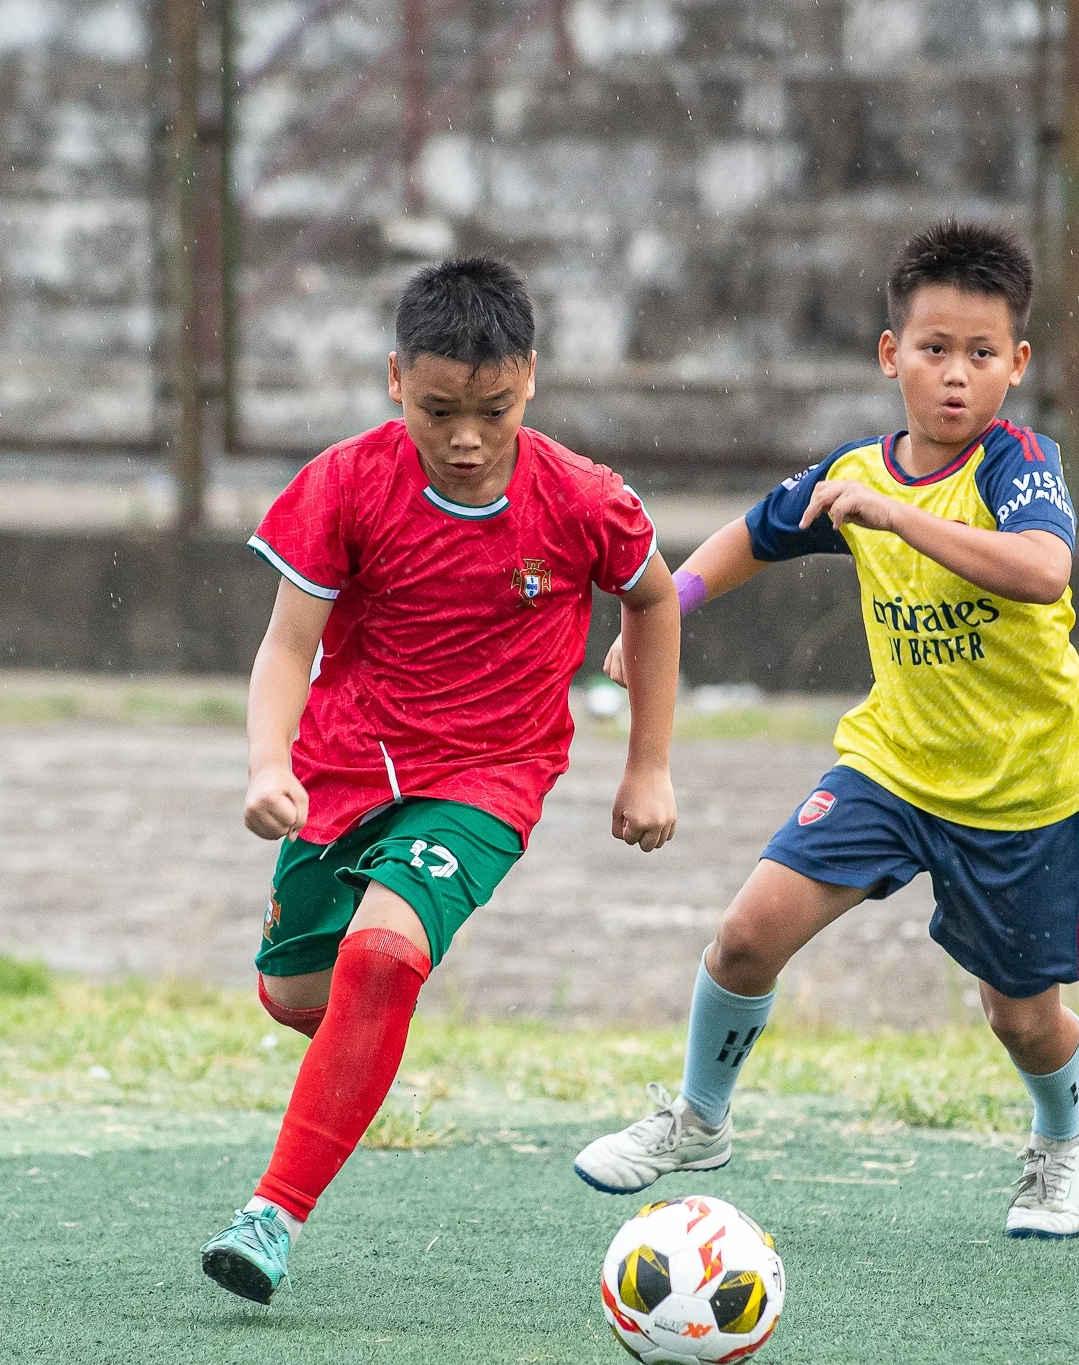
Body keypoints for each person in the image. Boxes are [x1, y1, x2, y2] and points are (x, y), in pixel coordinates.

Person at [572, 221, 1079, 1239]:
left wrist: (896, 518)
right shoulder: (855, 468)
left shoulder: (1018, 465)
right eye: (934, 350)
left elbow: (1044, 570)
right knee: (742, 940)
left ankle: (1062, 1138)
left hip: (1019, 790)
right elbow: (752, 533)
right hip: (890, 769)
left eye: (982, 355)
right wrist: (668, 607)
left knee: (1021, 1019)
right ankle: (697, 1119)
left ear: (1017, 365)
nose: (956, 376)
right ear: (889, 354)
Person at [199, 257, 680, 1303]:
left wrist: (647, 766)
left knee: (381, 957)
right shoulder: (342, 485)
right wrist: (264, 763)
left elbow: (653, 600)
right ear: (393, 381)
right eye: (438, 411)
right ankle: (364, 1034)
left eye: (493, 410)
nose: (466, 439)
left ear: (531, 382)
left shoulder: (583, 500)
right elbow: (287, 648)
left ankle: (269, 1217)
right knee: (297, 996)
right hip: (347, 765)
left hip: (490, 777)